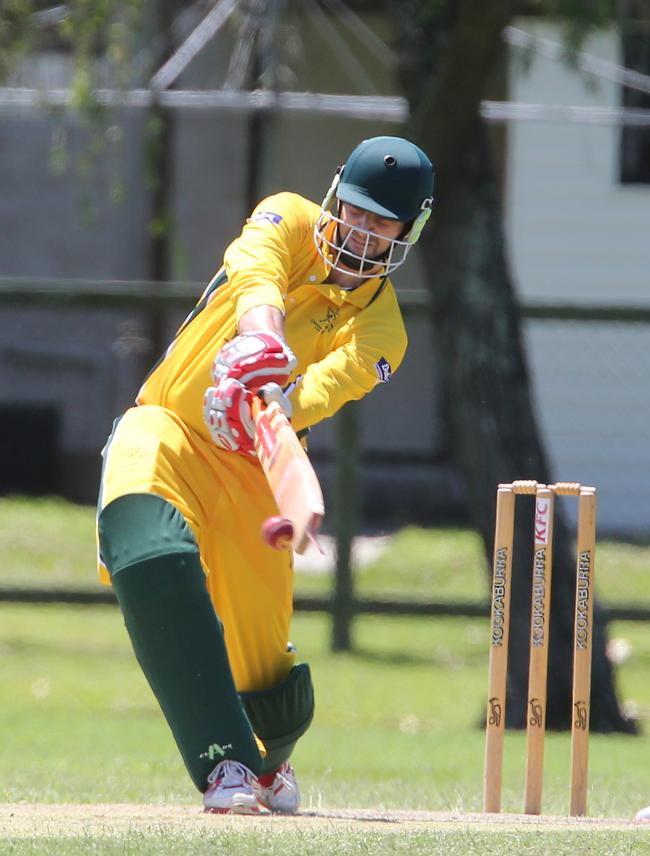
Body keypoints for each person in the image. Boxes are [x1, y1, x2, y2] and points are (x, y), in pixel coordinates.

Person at [96, 135, 434, 814]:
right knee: (148, 546)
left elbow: (331, 384)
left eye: (380, 222)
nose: (360, 229)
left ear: (407, 233)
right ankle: (224, 766)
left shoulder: (384, 330)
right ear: (336, 195)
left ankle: (265, 760)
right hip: (171, 423)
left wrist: (276, 396)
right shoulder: (288, 216)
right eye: (356, 210)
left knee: (268, 687)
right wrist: (261, 339)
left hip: (256, 468)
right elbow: (256, 272)